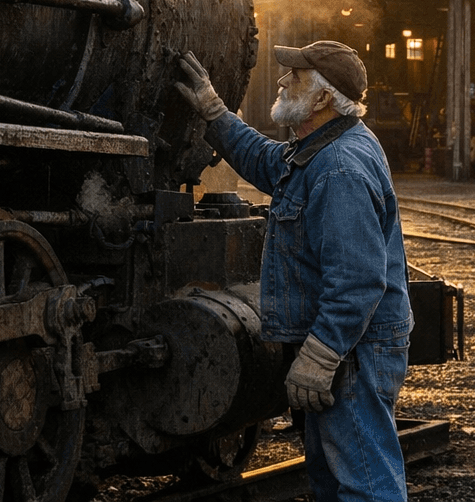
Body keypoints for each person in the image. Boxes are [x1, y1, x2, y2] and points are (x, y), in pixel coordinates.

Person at [175, 40, 412, 502]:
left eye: (295, 77)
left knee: (364, 485)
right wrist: (215, 113)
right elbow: (267, 162)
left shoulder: (339, 167)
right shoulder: (320, 148)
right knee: (333, 481)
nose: (282, 81)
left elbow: (358, 282)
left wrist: (319, 358)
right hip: (345, 345)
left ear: (323, 98)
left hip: (353, 351)